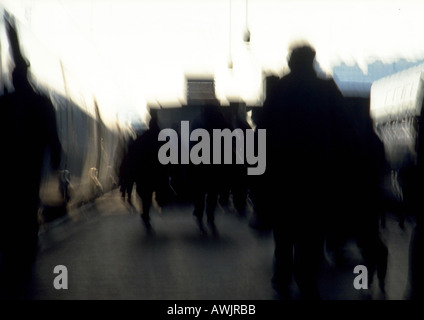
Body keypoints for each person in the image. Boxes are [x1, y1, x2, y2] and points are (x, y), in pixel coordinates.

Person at [257, 43, 349, 299]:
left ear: (291, 62)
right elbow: (344, 129)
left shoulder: (279, 91)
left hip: (284, 174)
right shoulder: (327, 89)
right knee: (312, 231)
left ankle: (282, 276)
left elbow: (262, 131)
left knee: (284, 231)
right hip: (317, 175)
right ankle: (307, 277)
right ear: (312, 62)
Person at [0, 14, 62, 298]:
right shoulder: (40, 101)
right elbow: (52, 131)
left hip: (11, 166)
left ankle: (17, 252)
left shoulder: (6, 101)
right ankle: (24, 253)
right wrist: (55, 156)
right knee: (24, 208)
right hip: (29, 164)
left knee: (15, 209)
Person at [125, 113, 168, 231]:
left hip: (144, 174)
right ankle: (157, 206)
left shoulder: (142, 138)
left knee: (146, 197)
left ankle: (145, 215)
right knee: (159, 193)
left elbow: (132, 157)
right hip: (158, 173)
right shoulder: (163, 138)